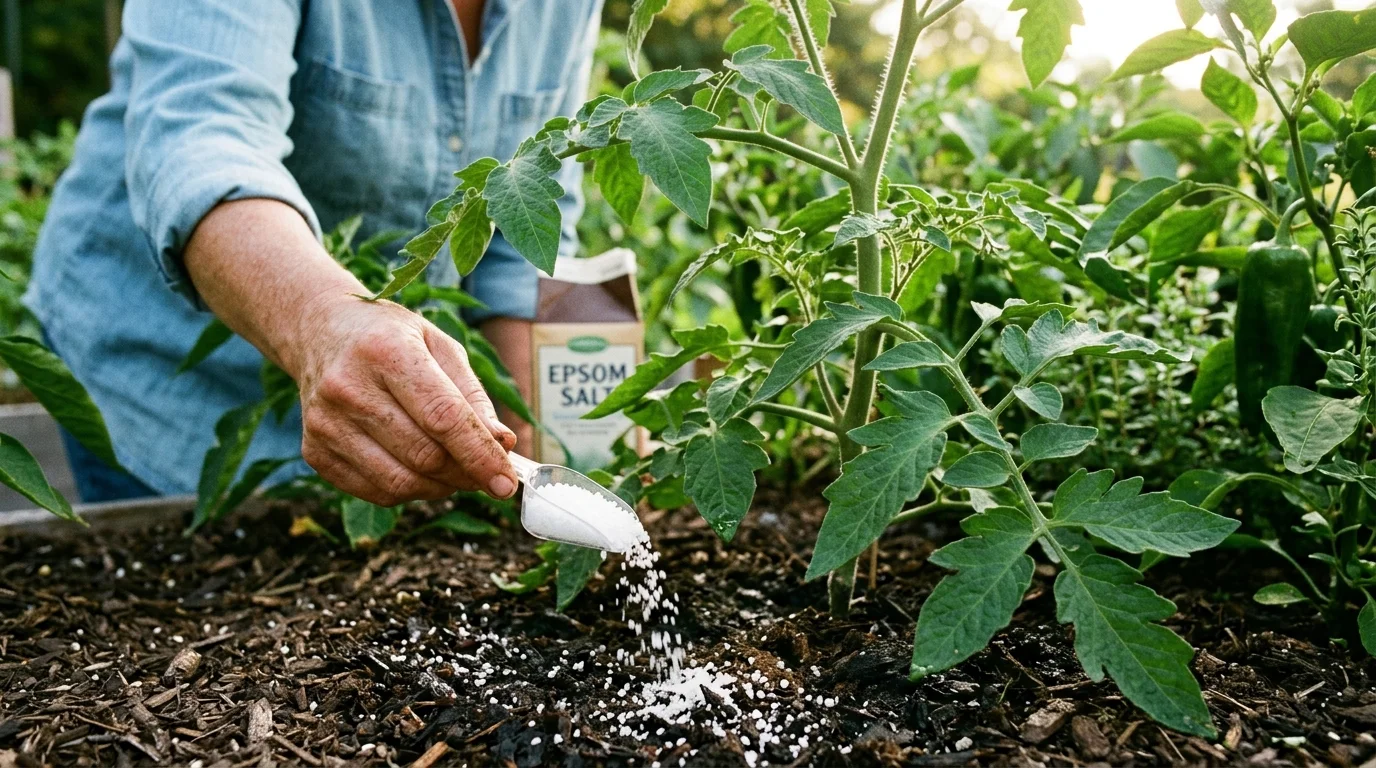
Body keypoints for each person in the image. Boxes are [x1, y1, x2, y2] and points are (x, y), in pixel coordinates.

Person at [24, 0, 603, 505]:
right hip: (162, 375)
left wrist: (533, 446)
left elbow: (522, 223)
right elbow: (202, 140)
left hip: (385, 412)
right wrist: (323, 322)